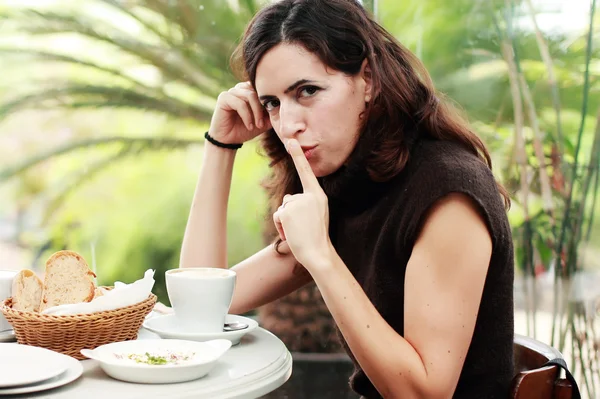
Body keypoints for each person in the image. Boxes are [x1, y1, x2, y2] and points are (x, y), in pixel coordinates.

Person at [179, 0, 515, 398]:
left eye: (307, 91)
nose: (287, 125)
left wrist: (320, 256)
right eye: (272, 103)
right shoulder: (349, 184)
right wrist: (220, 146)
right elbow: (198, 306)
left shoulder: (448, 191)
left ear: (368, 79)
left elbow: (424, 394)